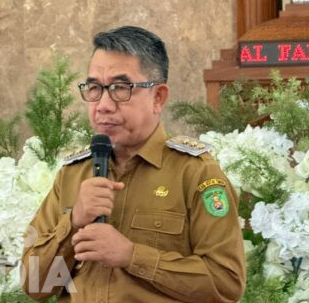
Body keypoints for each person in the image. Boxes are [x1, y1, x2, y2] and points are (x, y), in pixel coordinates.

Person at [20, 26, 246, 302]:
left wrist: (131, 256)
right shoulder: (73, 173)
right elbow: (35, 286)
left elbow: (226, 284)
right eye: (94, 88)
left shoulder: (194, 172)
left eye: (120, 89)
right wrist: (74, 221)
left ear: (158, 98)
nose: (103, 105)